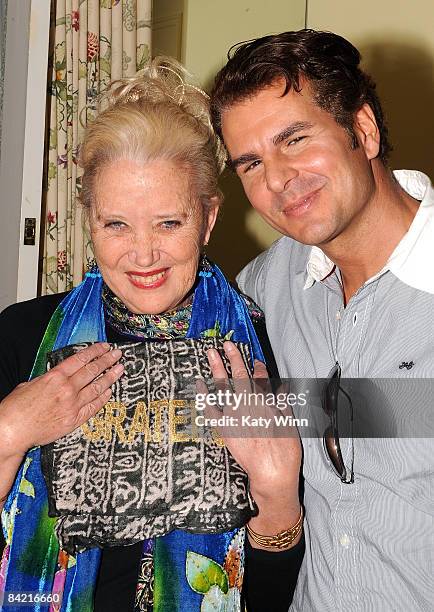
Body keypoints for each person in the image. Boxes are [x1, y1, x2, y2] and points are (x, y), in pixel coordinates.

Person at [0, 58, 303, 612]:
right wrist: (9, 431)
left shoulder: (261, 346)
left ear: (208, 218)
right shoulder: (22, 335)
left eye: (169, 223)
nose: (143, 255)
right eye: (116, 224)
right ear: (89, 219)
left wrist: (278, 493)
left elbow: (272, 598)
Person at [207, 29, 434, 611]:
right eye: (251, 163)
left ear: (363, 129)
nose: (278, 179)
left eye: (295, 140)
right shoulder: (260, 289)